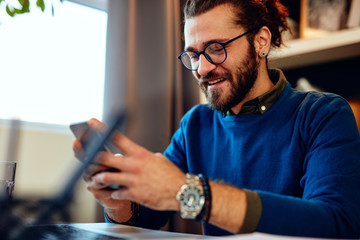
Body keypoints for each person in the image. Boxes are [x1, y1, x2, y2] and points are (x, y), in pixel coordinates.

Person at [73, 0, 360, 238]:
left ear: (261, 41)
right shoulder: (195, 124)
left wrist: (190, 192)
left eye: (215, 49)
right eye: (194, 55)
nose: (202, 68)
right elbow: (147, 215)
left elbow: (334, 224)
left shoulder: (322, 115)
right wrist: (117, 201)